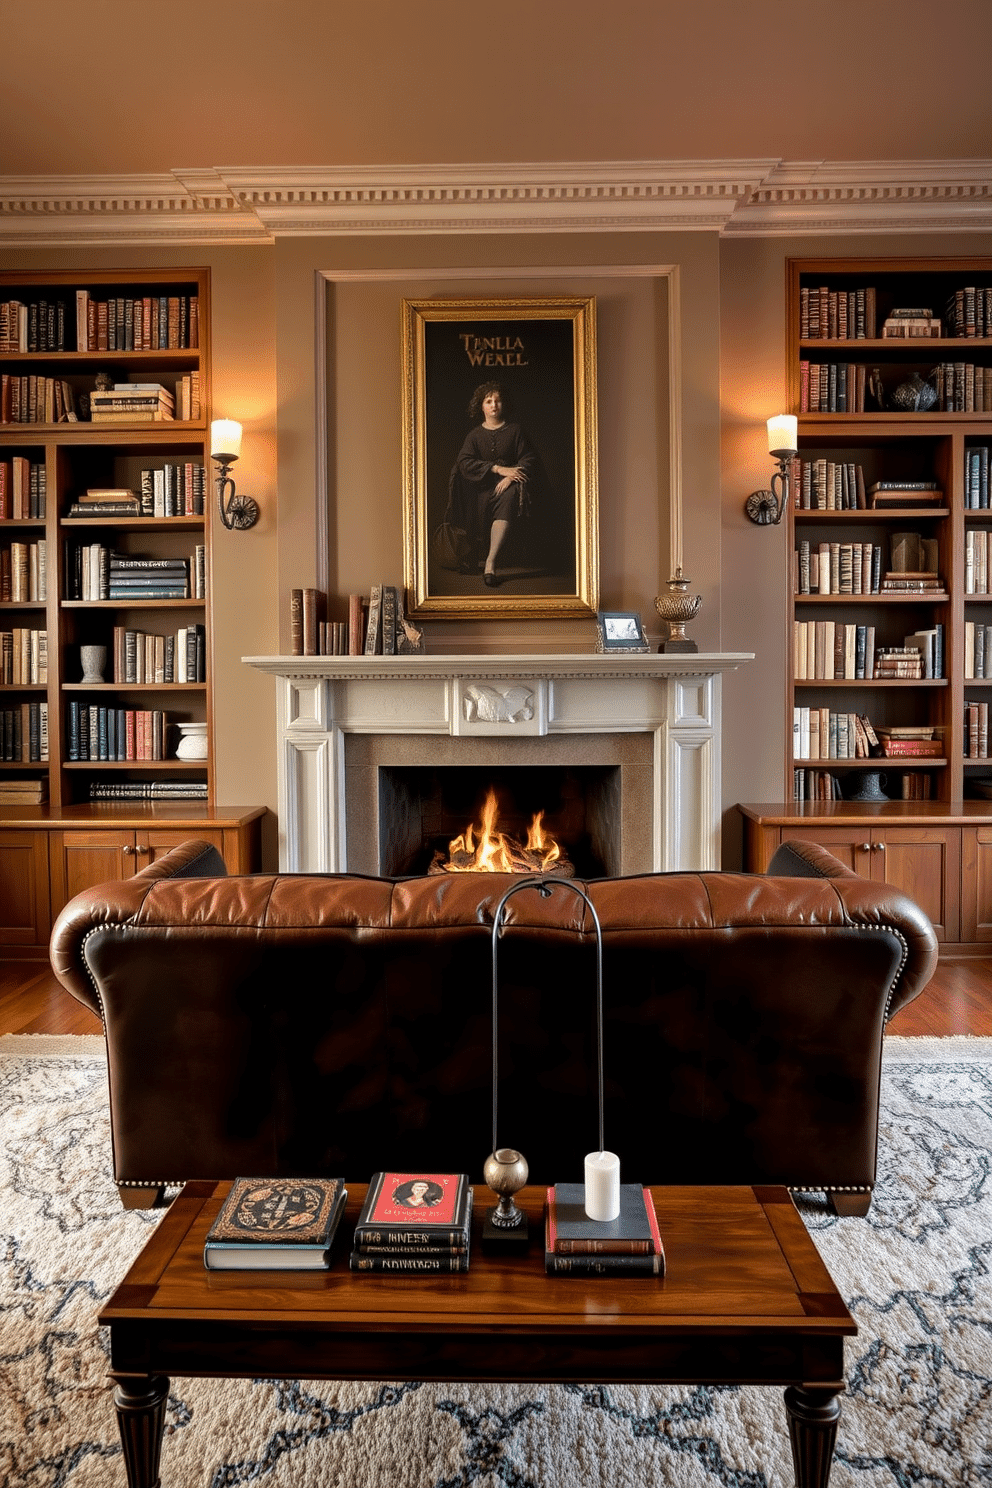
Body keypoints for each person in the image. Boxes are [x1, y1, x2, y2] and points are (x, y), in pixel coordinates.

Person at [444, 382, 539, 587]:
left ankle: (490, 562)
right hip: (479, 488)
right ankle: (476, 555)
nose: (494, 405)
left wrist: (510, 477)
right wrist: (496, 469)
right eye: (488, 401)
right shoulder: (475, 435)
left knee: (510, 496)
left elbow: (528, 459)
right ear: (482, 406)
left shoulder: (516, 430)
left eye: (497, 400)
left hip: (508, 486)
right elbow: (464, 462)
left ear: (503, 404)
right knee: (475, 506)